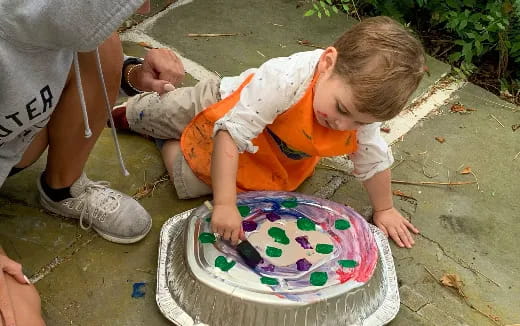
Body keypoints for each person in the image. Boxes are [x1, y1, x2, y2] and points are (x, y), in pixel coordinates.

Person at [112, 16, 426, 249]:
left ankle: (167, 142)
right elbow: (230, 134)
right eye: (342, 110)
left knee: (192, 181)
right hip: (220, 104)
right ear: (327, 63)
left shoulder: (358, 105)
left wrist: (384, 209)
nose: (345, 127)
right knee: (156, 112)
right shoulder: (286, 78)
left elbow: (372, 160)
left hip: (268, 147)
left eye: (360, 122)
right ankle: (135, 110)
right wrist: (224, 205)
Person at [0, 1, 184, 325]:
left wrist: (133, 75)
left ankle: (64, 188)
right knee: (17, 309)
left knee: (102, 45)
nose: (143, 9)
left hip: (13, 143)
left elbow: (58, 49)